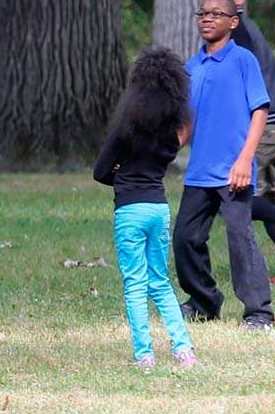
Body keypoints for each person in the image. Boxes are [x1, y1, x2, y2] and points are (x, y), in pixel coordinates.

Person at [196, 0, 275, 285]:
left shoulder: (236, 35)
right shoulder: (246, 29)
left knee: (232, 195)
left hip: (267, 122)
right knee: (268, 197)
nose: (214, 1)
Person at [173, 0, 275, 329]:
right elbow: (187, 123)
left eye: (216, 14)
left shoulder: (243, 60)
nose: (207, 18)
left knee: (239, 239)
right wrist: (164, 152)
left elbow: (259, 111)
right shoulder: (192, 66)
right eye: (203, 13)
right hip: (199, 172)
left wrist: (245, 160)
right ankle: (204, 301)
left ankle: (259, 312)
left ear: (233, 22)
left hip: (235, 172)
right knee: (185, 238)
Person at [94, 47, 196, 369]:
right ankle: (183, 349)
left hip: (130, 213)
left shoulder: (124, 132)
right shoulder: (169, 137)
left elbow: (100, 172)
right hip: (159, 209)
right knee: (161, 281)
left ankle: (144, 354)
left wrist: (122, 179)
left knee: (135, 284)